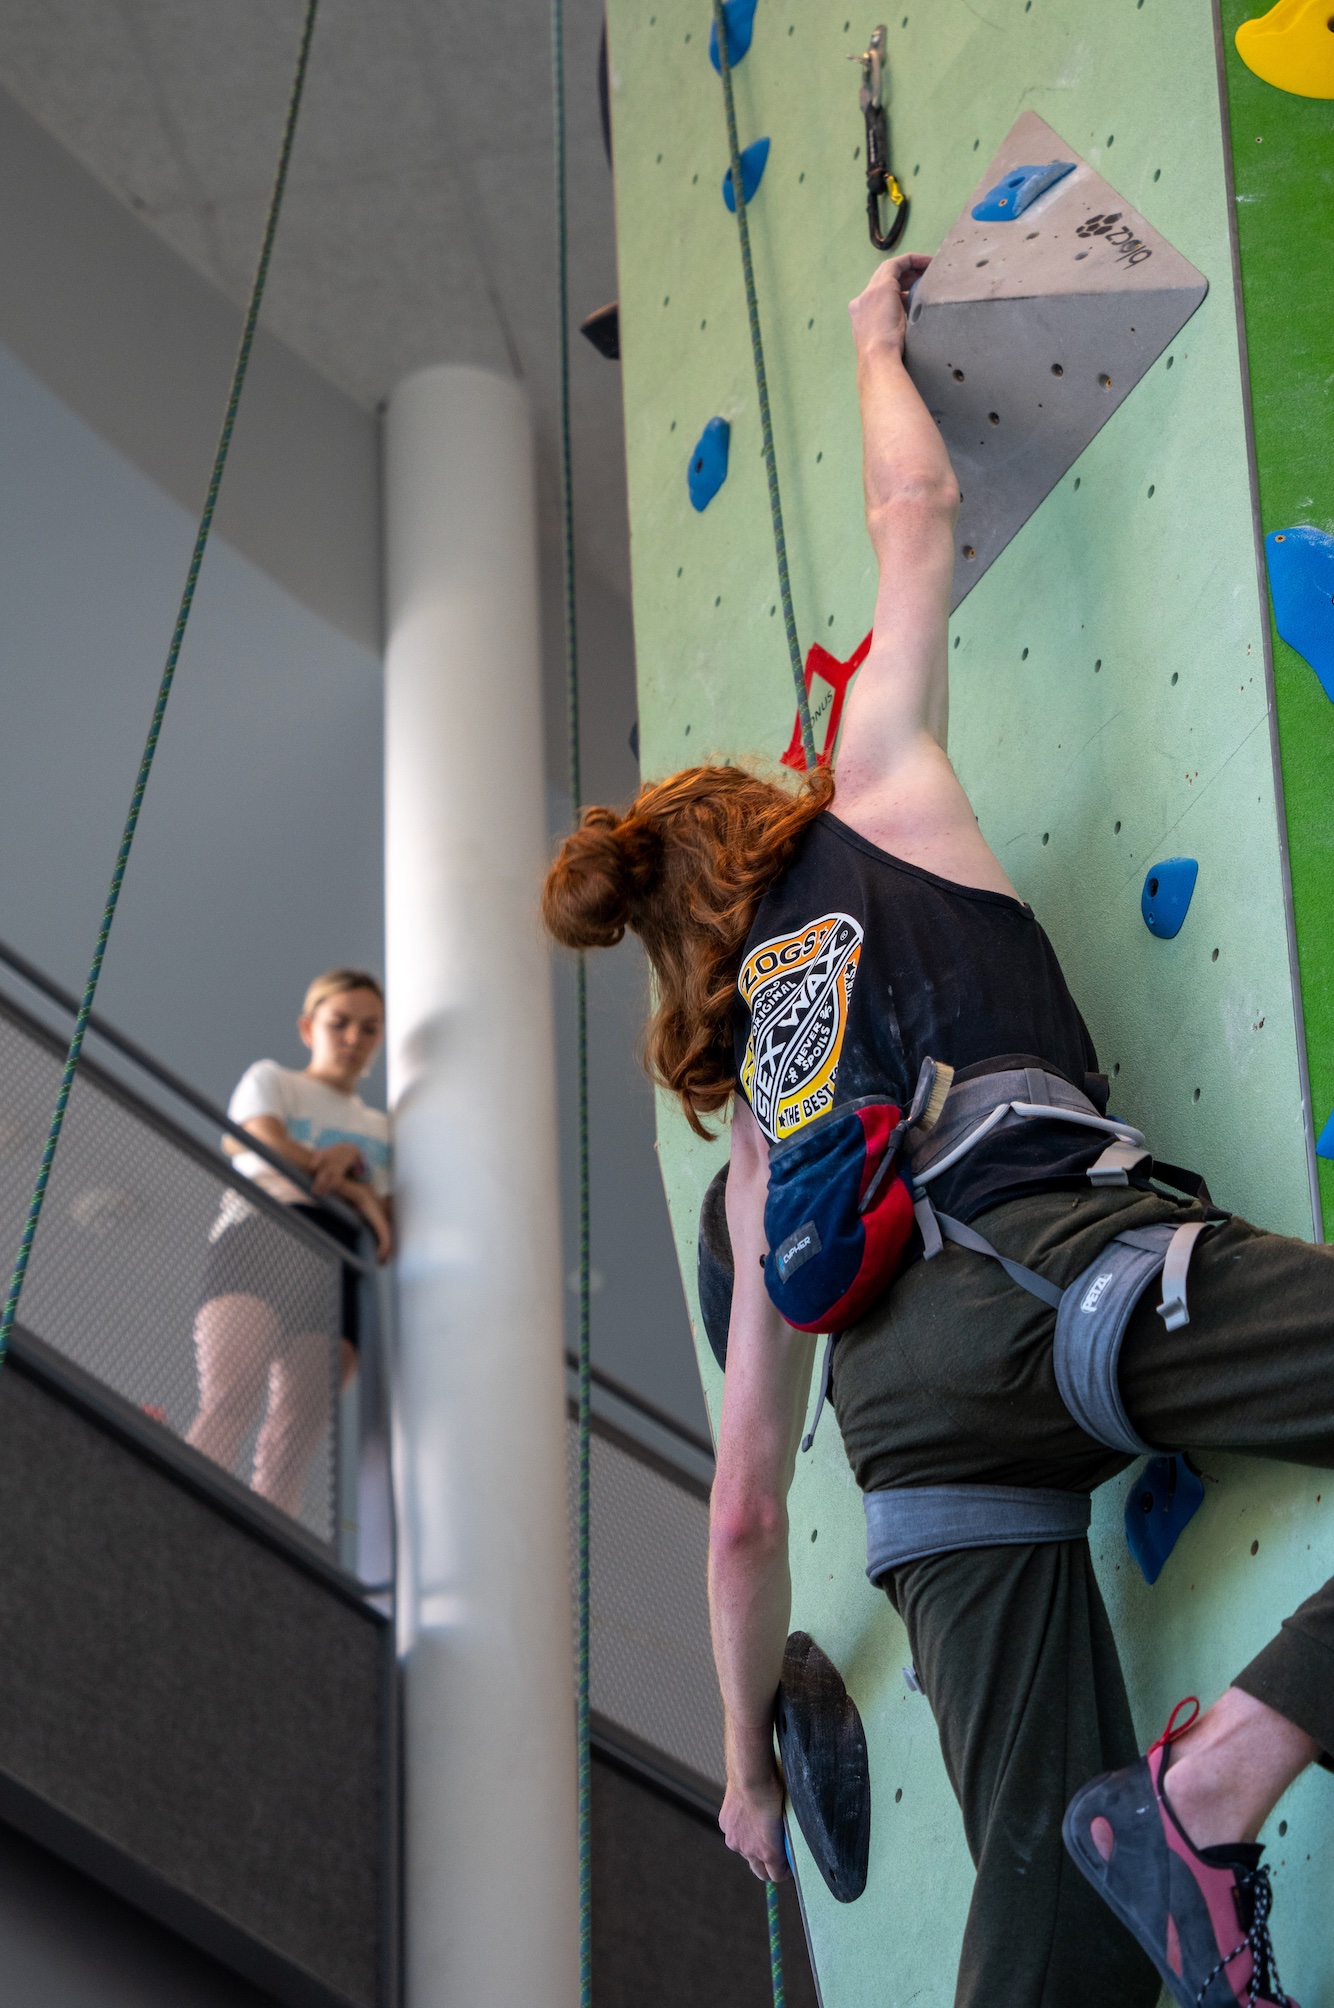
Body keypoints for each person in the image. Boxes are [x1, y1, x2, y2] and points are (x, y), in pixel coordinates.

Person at [541, 252, 1328, 2008]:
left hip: (912, 1444)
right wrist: (871, 339)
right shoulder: (877, 794)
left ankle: (1149, 1868)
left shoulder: (758, 1109)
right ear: (759, 808)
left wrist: (742, 1762)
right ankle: (1213, 1785)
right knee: (1116, 1852)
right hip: (1054, 1264)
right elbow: (913, 508)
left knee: (1052, 1936)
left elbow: (743, 1506)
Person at [188, 969, 392, 1519]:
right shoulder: (273, 1079)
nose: (353, 1038)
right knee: (230, 1397)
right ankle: (179, 1515)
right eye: (340, 1023)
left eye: (369, 1029)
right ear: (308, 1027)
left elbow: (389, 1231)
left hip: (339, 1263)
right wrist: (352, 1182)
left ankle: (260, 1559)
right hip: (264, 1233)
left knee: (291, 1443)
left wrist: (355, 1156)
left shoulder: (383, 1128)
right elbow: (257, 1138)